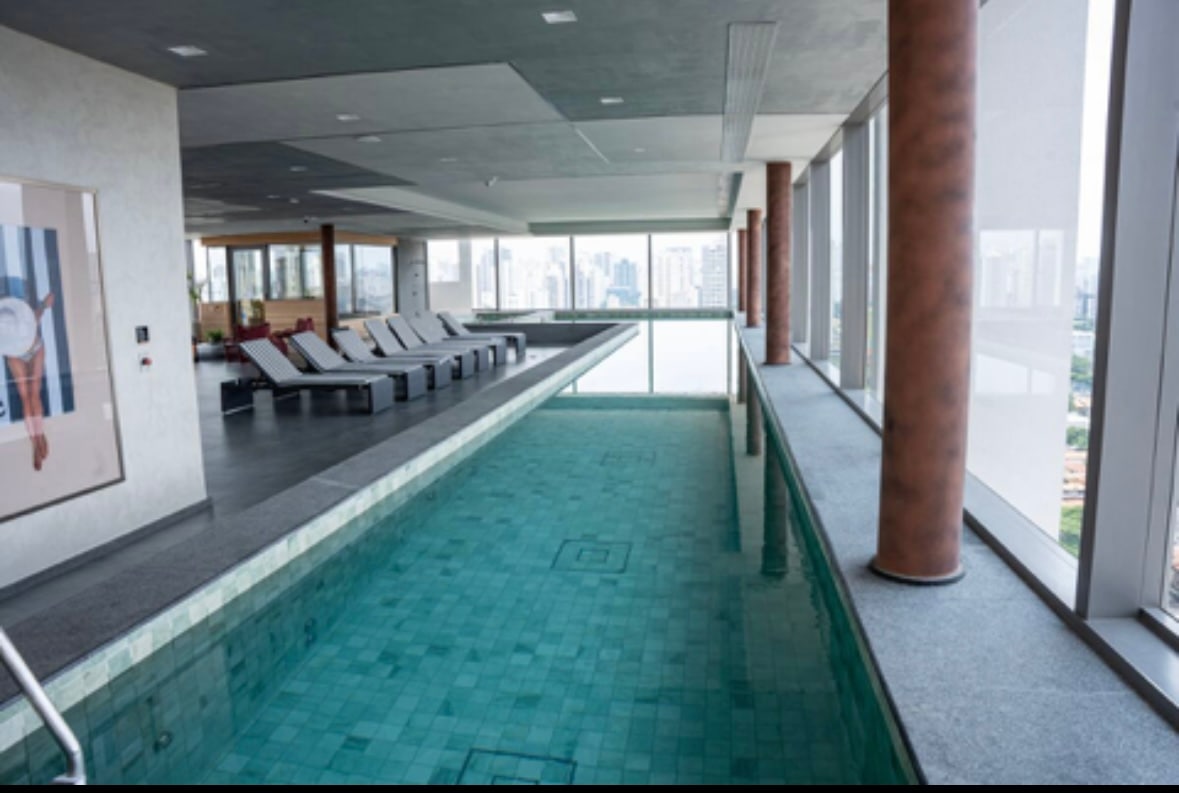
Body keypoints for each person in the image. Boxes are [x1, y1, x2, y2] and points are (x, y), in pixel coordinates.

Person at [0, 291, 55, 471]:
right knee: (32, 395)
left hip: (21, 352)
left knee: (28, 397)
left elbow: (35, 317)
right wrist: (44, 305)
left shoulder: (10, 314)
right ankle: (37, 436)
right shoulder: (15, 311)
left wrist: (45, 304)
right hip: (29, 349)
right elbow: (35, 317)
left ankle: (36, 439)